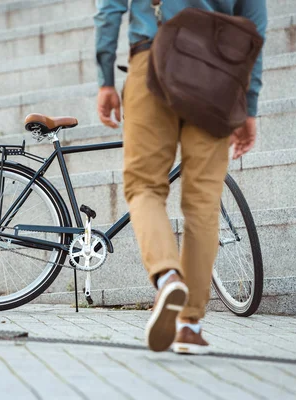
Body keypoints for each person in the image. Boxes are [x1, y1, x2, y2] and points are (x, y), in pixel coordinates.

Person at [94, 0, 267, 353]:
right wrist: (248, 105)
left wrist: (106, 80)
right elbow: (253, 27)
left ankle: (167, 275)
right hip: (218, 76)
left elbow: (109, 8)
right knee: (203, 201)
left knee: (144, 186)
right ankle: (190, 325)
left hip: (153, 59)